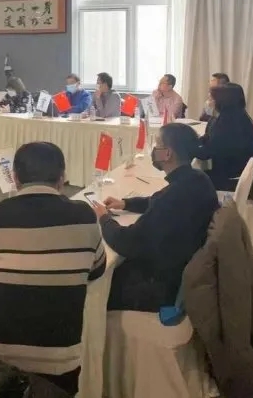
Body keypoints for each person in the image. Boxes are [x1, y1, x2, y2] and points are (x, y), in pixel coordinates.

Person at [0, 142, 105, 396]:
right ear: (62, 178)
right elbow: (97, 270)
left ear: (15, 178)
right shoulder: (85, 216)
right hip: (57, 362)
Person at [93, 123, 218, 312]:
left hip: (160, 285)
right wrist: (126, 203)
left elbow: (126, 242)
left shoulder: (172, 198)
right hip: (181, 267)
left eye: (157, 145)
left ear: (167, 154)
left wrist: (104, 218)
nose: (154, 150)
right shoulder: (198, 180)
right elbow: (156, 200)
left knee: (97, 286)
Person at [195, 83, 253, 192]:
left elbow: (206, 153)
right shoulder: (236, 115)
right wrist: (194, 141)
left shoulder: (228, 123)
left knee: (189, 180)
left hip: (232, 179)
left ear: (223, 101)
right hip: (237, 171)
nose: (208, 102)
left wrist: (186, 148)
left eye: (211, 99)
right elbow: (209, 138)